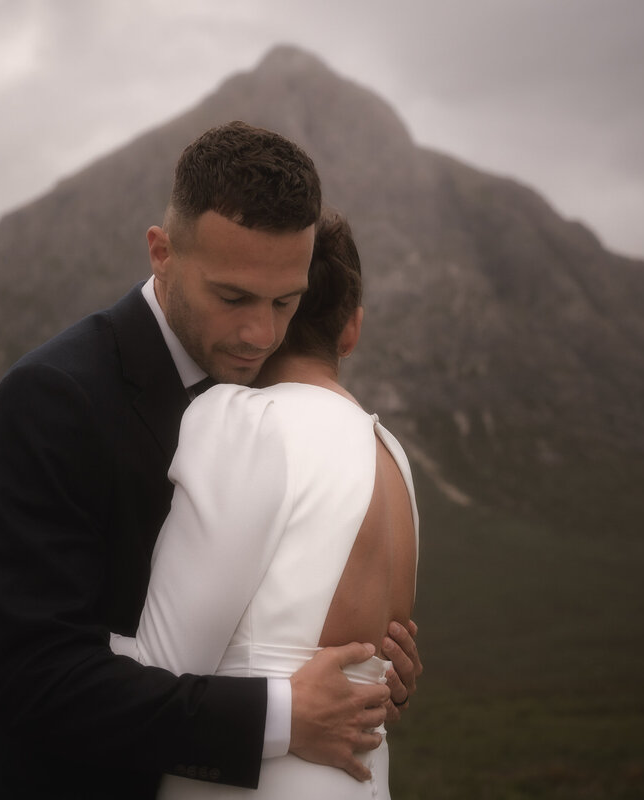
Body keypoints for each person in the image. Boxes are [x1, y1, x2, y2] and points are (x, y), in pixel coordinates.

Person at [0, 122, 422, 799]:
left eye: (287, 301)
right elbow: (38, 683)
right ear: (161, 253)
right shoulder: (52, 399)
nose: (262, 334)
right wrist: (282, 714)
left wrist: (364, 670)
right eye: (232, 298)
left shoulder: (271, 409)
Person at [112, 212, 418, 798]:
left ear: (280, 314)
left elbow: (155, 673)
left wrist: (4, 581)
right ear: (351, 330)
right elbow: (385, 666)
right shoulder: (390, 454)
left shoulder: (247, 422)